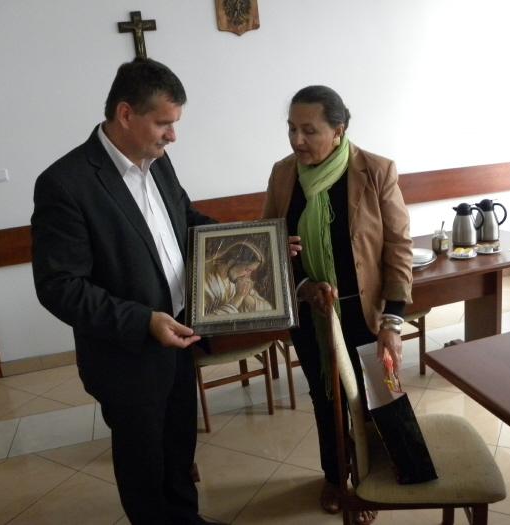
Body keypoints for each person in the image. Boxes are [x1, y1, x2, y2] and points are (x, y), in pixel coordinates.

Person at [31, 58, 223, 525]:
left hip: (180, 337)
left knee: (179, 448)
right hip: (128, 355)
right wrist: (144, 322)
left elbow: (185, 220)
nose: (172, 136)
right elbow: (60, 287)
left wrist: (251, 241)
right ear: (125, 114)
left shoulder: (159, 162)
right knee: (145, 468)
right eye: (163, 123)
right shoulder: (66, 183)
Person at [263, 85, 413, 525]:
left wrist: (393, 321)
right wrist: (297, 276)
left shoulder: (376, 170)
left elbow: (398, 247)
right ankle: (335, 477)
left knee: (378, 394)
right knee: (325, 398)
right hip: (311, 312)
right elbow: (268, 244)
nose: (297, 140)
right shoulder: (283, 174)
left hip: (364, 312)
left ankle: (374, 478)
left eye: (309, 130)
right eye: (291, 129)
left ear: (338, 130)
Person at [203, 240, 273, 315]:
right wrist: (239, 297)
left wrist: (245, 296)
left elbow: (266, 308)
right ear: (231, 262)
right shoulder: (205, 281)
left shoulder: (233, 280)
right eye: (247, 270)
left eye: (251, 272)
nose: (248, 276)